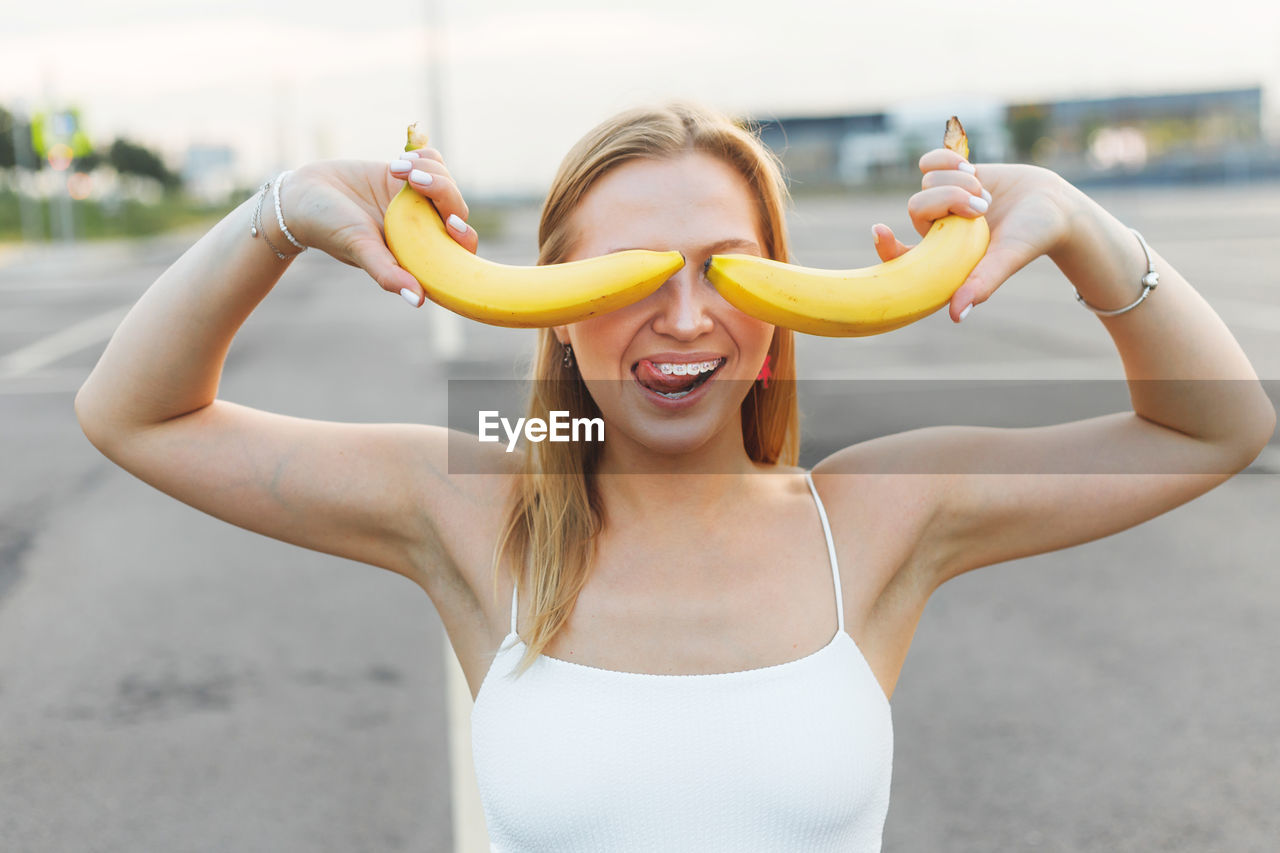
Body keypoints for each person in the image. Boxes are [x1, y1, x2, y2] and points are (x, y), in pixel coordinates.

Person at [74, 101, 1275, 852]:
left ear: (780, 305)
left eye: (727, 271)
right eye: (633, 273)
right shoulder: (472, 504)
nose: (685, 318)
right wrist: (276, 215)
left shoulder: (872, 513)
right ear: (549, 305)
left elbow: (1210, 429)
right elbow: (135, 415)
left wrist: (1073, 223)